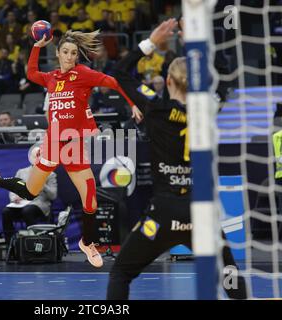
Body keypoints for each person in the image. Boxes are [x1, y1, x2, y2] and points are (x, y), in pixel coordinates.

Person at [0, 29, 142, 268]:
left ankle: (88, 242)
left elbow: (114, 82)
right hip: (53, 143)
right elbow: (31, 72)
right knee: (30, 193)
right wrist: (36, 46)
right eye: (65, 52)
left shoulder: (83, 74)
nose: (70, 56)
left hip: (73, 143)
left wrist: (133, 103)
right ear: (58, 53)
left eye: (74, 53)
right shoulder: (51, 77)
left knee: (90, 198)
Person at [106, 19, 247, 300]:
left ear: (167, 81)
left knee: (121, 273)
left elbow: (120, 73)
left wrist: (150, 43)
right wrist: (198, 45)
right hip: (201, 213)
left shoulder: (155, 107)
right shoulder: (210, 107)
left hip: (163, 213)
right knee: (230, 277)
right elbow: (225, 78)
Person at [2, 146, 58, 243]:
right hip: (21, 203)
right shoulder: (21, 172)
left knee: (27, 211)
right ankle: (9, 243)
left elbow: (53, 196)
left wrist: (43, 184)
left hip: (39, 204)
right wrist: (14, 198)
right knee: (6, 212)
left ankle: (32, 243)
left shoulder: (50, 174)